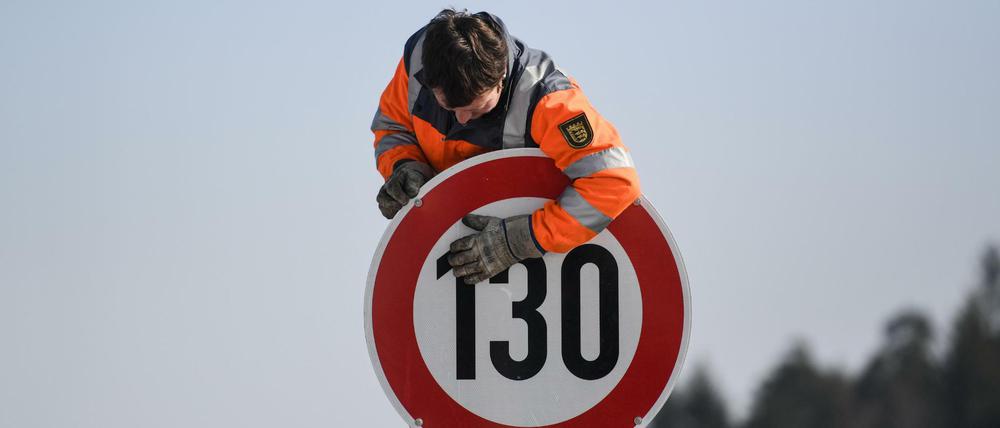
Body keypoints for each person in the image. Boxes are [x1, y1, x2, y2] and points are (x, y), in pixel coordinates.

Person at [371, 9, 640, 284]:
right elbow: (393, 128)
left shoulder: (548, 100)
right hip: (444, 259)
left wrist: (523, 238)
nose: (461, 120)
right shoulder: (420, 58)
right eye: (449, 108)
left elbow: (614, 181)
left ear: (501, 79)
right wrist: (404, 167)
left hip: (537, 272)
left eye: (476, 109)